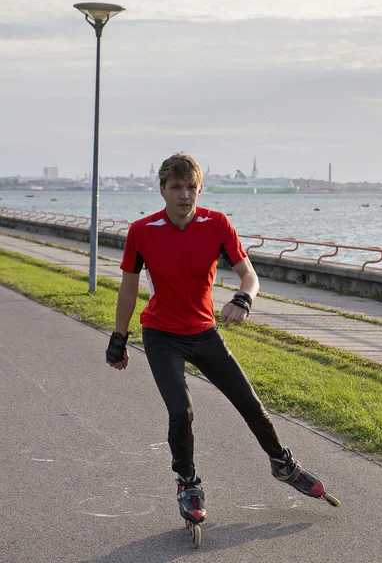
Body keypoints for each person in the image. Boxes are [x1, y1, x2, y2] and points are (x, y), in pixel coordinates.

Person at [106, 152, 329, 526]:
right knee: (182, 411)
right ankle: (187, 482)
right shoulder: (142, 231)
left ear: (199, 189)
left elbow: (250, 276)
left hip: (204, 332)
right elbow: (128, 289)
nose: (184, 195)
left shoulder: (217, 224)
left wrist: (244, 299)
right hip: (162, 336)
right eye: (175, 187)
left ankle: (282, 464)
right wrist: (118, 337)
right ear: (162, 190)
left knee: (250, 403)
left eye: (190, 187)